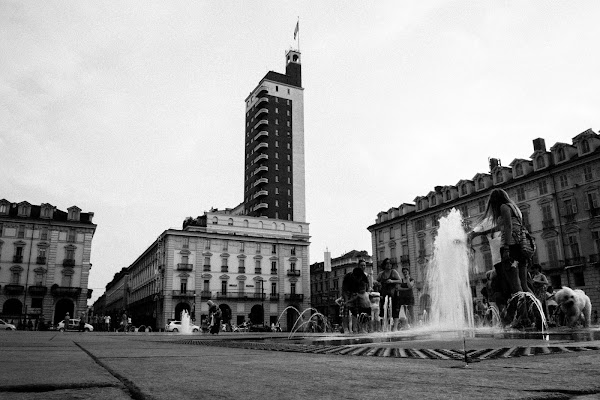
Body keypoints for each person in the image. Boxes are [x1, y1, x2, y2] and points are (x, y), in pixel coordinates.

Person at [469, 188, 530, 295]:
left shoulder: (503, 207)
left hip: (511, 248)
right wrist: (478, 234)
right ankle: (537, 309)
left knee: (516, 286)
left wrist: (506, 247)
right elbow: (499, 227)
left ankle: (523, 310)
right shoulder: (515, 209)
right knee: (524, 285)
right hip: (522, 246)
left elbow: (508, 226)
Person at [341, 259, 371, 333]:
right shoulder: (348, 277)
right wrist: (346, 300)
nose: (359, 279)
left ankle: (355, 329)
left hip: (356, 293)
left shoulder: (363, 276)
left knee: (355, 311)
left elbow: (366, 287)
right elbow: (344, 290)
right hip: (347, 292)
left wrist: (365, 294)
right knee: (345, 311)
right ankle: (346, 328)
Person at [376, 258, 402, 331]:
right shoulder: (381, 274)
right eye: (387, 263)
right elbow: (376, 281)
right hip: (384, 294)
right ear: (384, 265)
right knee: (384, 310)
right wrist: (376, 283)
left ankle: (395, 328)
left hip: (394, 294)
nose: (389, 265)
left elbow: (400, 281)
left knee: (395, 310)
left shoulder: (394, 272)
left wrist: (392, 281)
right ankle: (385, 326)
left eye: (390, 263)